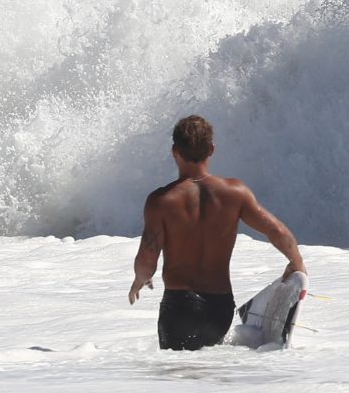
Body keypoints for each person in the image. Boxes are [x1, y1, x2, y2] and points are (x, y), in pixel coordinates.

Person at [127, 114, 306, 351]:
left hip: (180, 308)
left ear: (174, 151)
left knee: (176, 381)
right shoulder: (235, 193)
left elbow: (147, 260)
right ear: (211, 149)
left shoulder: (161, 201)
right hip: (219, 311)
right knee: (210, 375)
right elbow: (276, 231)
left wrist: (140, 279)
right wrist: (297, 263)